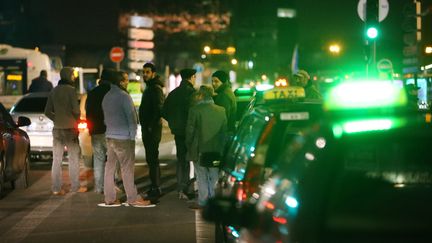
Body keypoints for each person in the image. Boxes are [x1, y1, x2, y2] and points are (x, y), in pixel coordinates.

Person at [99, 70, 154, 207]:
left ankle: (110, 198)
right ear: (121, 82)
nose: (127, 82)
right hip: (124, 137)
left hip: (110, 136)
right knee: (127, 169)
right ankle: (132, 198)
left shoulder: (106, 96)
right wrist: (132, 135)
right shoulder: (124, 96)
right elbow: (132, 118)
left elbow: (105, 117)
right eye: (125, 80)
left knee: (109, 168)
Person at [44, 67, 86, 195]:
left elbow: (47, 111)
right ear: (68, 76)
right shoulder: (71, 90)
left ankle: (56, 188)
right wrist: (76, 120)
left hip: (57, 129)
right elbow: (76, 110)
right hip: (70, 129)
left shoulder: (53, 91)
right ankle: (75, 186)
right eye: (72, 75)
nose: (73, 77)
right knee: (73, 158)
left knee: (57, 160)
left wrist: (56, 119)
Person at [186, 85, 227, 209]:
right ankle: (214, 200)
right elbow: (224, 132)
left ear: (201, 96)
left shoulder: (195, 110)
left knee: (201, 175)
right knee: (214, 175)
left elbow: (190, 131)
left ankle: (203, 201)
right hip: (216, 149)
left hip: (200, 150)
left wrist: (188, 145)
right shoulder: (221, 110)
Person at [162, 68, 197, 200]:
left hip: (178, 131)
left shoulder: (173, 94)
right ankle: (186, 188)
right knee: (189, 160)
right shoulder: (192, 93)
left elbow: (164, 111)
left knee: (180, 159)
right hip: (190, 131)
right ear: (192, 77)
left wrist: (173, 122)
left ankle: (180, 188)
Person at [85, 69, 114, 193]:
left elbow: (88, 112)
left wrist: (91, 128)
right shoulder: (112, 92)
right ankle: (111, 185)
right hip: (110, 130)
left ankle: (98, 187)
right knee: (112, 159)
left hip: (96, 130)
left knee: (98, 159)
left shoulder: (92, 93)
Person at [139, 63, 165, 199]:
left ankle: (156, 187)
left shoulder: (155, 88)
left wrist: (150, 126)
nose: (145, 74)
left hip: (152, 130)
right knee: (151, 159)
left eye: (147, 72)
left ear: (153, 73)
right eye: (143, 72)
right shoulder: (150, 87)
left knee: (153, 158)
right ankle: (154, 186)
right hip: (149, 128)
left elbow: (159, 109)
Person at [211, 70, 237, 134]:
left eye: (216, 81)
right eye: (212, 81)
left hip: (224, 132)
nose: (213, 84)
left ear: (223, 82)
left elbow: (223, 117)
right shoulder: (227, 91)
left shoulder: (224, 95)